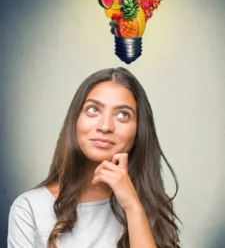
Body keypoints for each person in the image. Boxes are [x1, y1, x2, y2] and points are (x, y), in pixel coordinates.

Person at [7, 67, 181, 248]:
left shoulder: (154, 208)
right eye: (93, 109)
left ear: (139, 131)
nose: (105, 126)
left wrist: (132, 206)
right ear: (75, 120)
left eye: (123, 115)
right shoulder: (30, 209)